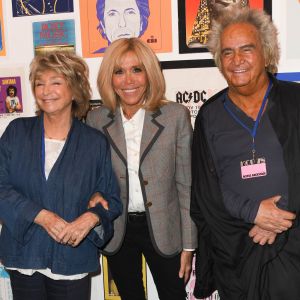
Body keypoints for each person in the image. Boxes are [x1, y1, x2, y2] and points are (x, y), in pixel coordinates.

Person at [191, 5, 300, 300]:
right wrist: (252, 212)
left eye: (246, 49)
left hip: (293, 250)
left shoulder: (295, 102)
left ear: (265, 52)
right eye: (227, 52)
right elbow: (204, 192)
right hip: (237, 256)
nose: (236, 60)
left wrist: (280, 215)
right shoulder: (209, 116)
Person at [0, 51, 122, 300]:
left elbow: (110, 198)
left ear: (75, 89)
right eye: (39, 83)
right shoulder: (16, 133)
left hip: (71, 259)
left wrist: (91, 218)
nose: (46, 91)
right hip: (25, 255)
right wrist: (41, 216)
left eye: (56, 82)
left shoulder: (94, 142)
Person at [86, 37, 197, 300]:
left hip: (164, 228)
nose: (128, 80)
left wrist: (189, 245)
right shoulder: (96, 119)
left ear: (149, 73)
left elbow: (186, 184)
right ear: (109, 77)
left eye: (137, 69)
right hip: (118, 228)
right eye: (119, 71)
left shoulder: (175, 116)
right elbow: (92, 177)